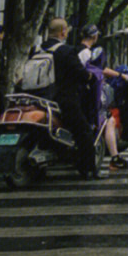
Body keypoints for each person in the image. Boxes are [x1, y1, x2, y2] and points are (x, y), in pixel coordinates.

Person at [43, 17, 99, 179]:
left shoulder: (38, 49)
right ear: (63, 32)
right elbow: (80, 72)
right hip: (63, 99)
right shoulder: (66, 51)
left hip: (39, 98)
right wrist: (90, 77)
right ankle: (88, 169)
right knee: (84, 131)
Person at [78, 24, 128, 168]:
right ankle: (115, 158)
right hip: (88, 96)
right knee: (109, 121)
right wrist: (121, 75)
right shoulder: (87, 54)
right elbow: (100, 70)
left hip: (78, 96)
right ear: (95, 36)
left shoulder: (77, 51)